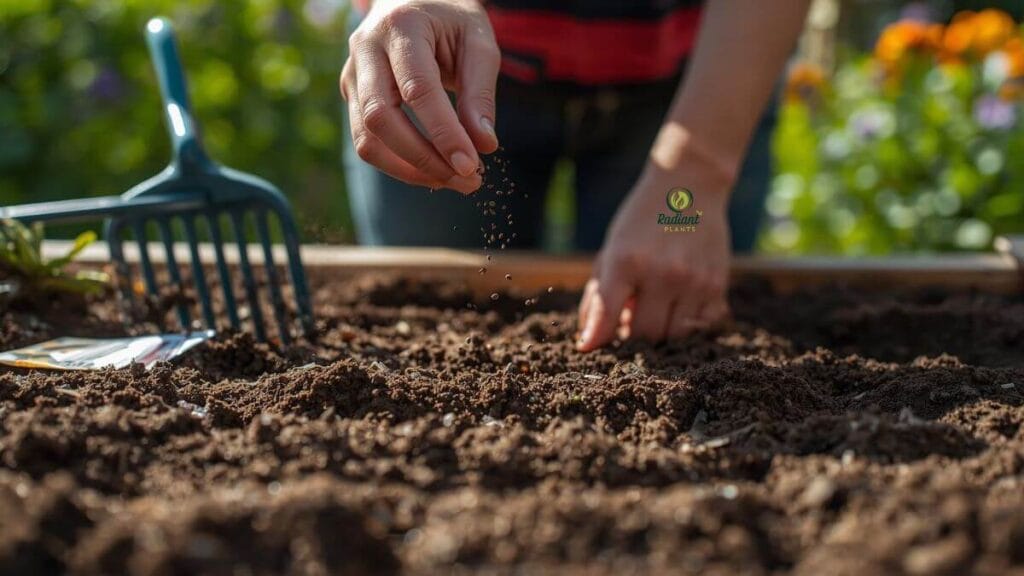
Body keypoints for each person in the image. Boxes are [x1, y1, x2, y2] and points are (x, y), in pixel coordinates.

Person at [341, 0, 810, 351]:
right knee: (432, 315)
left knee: (667, 316)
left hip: (699, 76)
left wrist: (697, 172)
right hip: (449, 64)